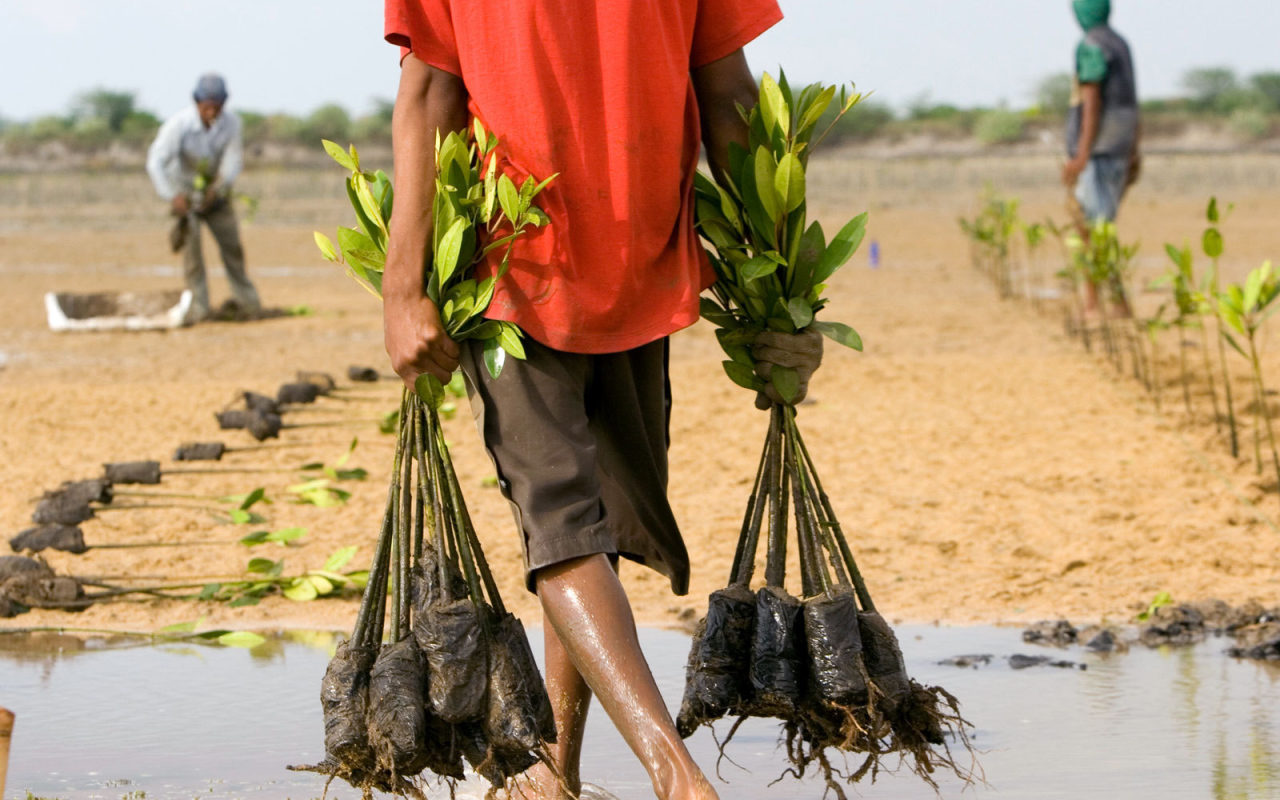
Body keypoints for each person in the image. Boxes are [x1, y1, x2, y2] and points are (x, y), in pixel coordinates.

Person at [380, 1, 822, 798]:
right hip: (513, 262)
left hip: (640, 258)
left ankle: (555, 772)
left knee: (592, 530)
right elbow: (430, 93)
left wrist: (778, 286)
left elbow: (728, 94)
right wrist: (404, 285)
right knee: (562, 521)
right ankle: (674, 773)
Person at [146, 73, 260, 323]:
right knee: (192, 253)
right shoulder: (178, 125)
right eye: (207, 105)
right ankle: (199, 309)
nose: (211, 111)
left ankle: (248, 304)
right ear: (196, 102)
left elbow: (233, 161)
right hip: (183, 195)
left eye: (216, 106)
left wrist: (218, 188)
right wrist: (172, 195)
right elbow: (156, 162)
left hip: (214, 193)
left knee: (232, 246)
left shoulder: (232, 124)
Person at [1061, 0, 1141, 232]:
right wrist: (1134, 148)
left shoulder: (1091, 45)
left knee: (1092, 226)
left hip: (1098, 150)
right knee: (1104, 222)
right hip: (1121, 145)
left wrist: (1081, 154)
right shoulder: (1120, 44)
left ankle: (1099, 270)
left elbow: (1091, 101)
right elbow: (1132, 100)